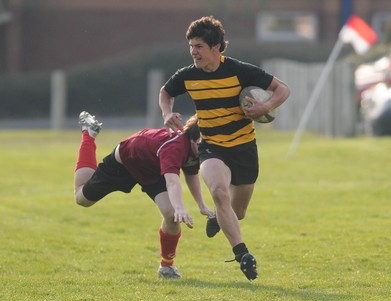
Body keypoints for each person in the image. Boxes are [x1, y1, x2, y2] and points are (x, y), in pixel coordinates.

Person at [159, 16, 290, 281]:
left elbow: (282, 89)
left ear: (216, 47)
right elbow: (165, 92)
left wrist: (266, 106)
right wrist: (166, 113)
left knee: (237, 212)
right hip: (212, 147)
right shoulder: (188, 76)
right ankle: (243, 254)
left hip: (243, 148)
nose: (193, 52)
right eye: (191, 46)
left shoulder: (240, 70)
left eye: (199, 46)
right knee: (219, 193)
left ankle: (219, 219)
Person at [74, 111, 213, 279]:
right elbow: (172, 182)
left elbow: (191, 175)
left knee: (171, 216)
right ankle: (89, 134)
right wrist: (180, 207)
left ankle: (166, 267)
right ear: (192, 139)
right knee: (82, 198)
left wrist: (202, 205)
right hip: (126, 160)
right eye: (202, 144)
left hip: (153, 170)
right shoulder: (176, 147)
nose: (206, 149)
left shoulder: (197, 148)